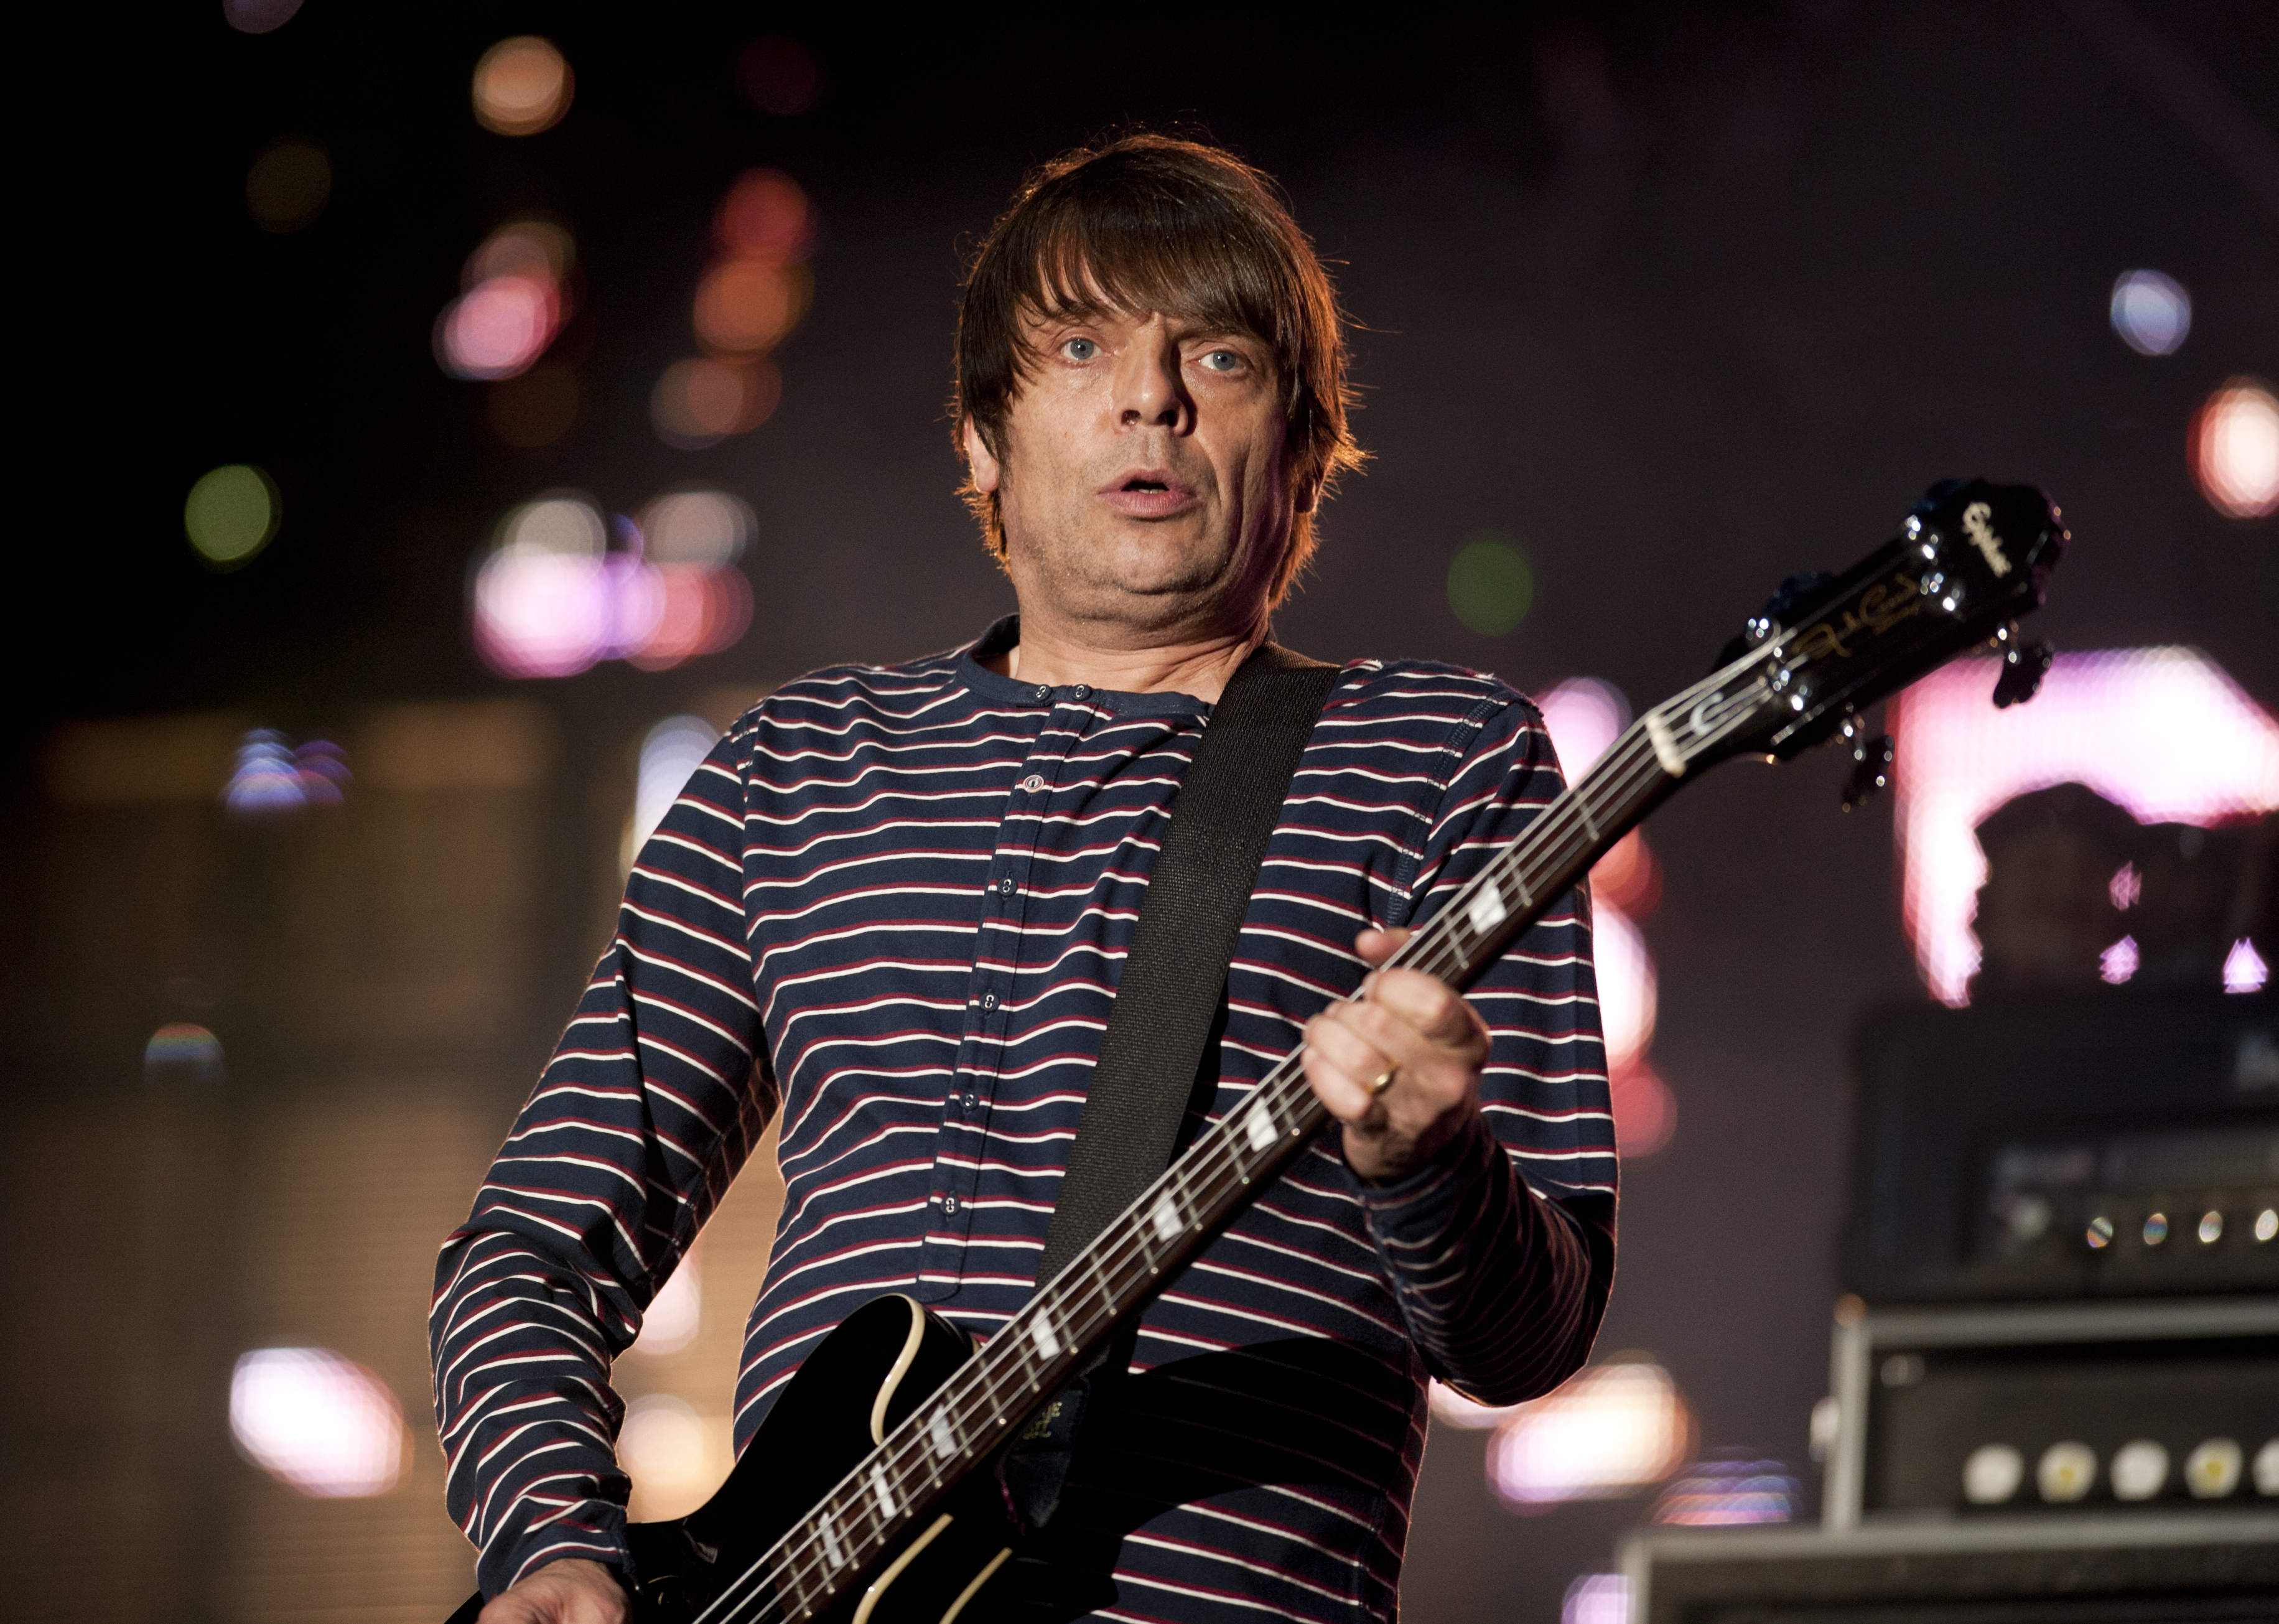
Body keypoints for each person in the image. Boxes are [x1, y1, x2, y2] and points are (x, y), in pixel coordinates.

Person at [431, 133, 1616, 1624]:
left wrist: (1427, 1162)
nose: (1150, 397)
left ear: (1304, 448)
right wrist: (551, 1544)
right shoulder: (794, 767)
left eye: (1222, 357)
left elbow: (1525, 1341)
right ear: (983, 440)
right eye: (1078, 348)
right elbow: (532, 1252)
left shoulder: (1438, 758)